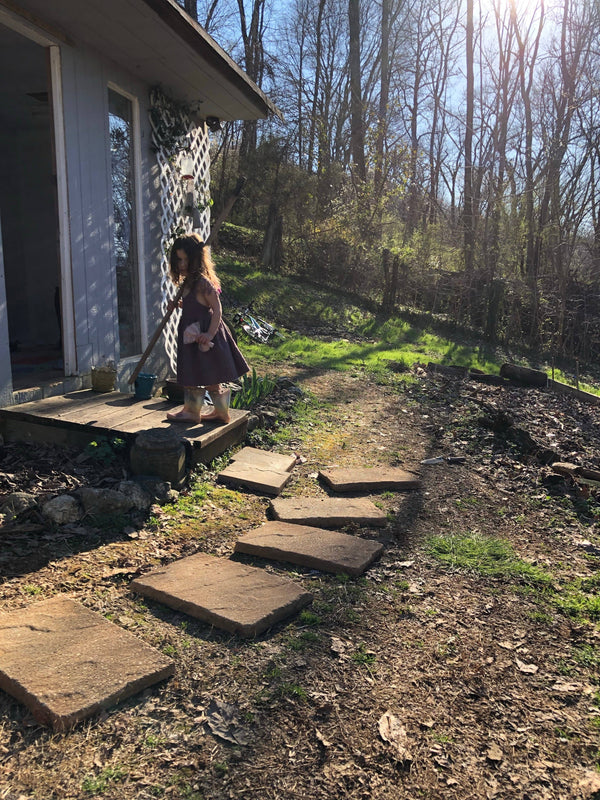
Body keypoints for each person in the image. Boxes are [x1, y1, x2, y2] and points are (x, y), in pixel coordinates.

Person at [165, 233, 249, 424]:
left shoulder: (202, 283)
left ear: (197, 259)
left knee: (211, 372)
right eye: (179, 260)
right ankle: (198, 411)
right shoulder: (187, 283)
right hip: (191, 335)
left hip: (205, 336)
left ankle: (211, 411)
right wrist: (177, 306)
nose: (183, 265)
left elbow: (217, 309)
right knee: (193, 369)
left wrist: (209, 333)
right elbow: (195, 305)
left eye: (187, 260)